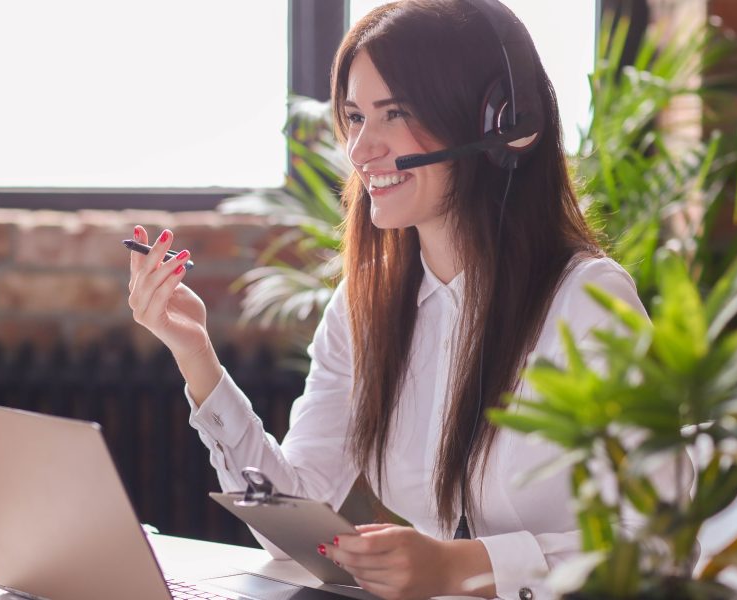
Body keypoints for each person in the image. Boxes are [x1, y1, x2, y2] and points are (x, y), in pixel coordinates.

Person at [128, 1, 688, 598]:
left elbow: (661, 544)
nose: (361, 149)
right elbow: (292, 512)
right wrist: (197, 360)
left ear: (499, 125)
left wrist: (462, 566)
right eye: (354, 117)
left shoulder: (586, 302)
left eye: (393, 113)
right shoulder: (364, 304)